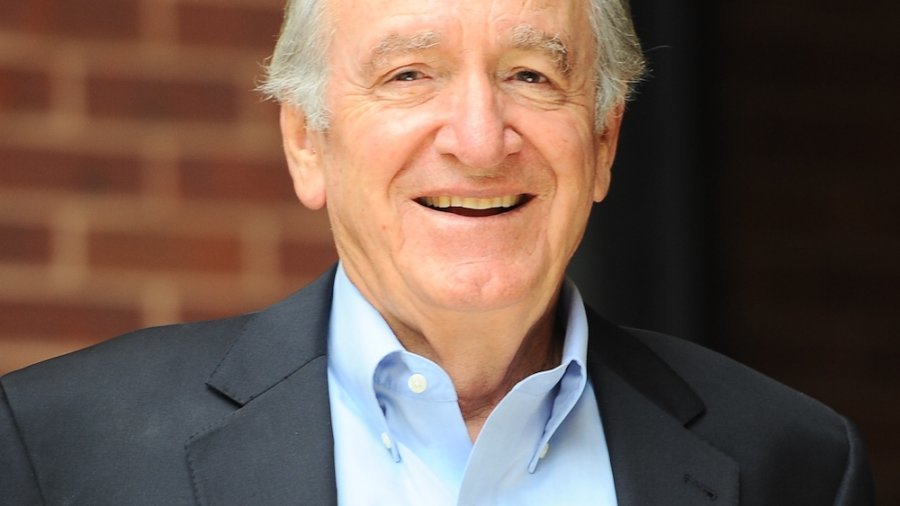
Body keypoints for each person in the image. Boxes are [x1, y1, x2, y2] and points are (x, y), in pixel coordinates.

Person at [0, 0, 875, 504]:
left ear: (604, 142)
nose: (480, 138)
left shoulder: (794, 464)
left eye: (532, 74)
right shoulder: (58, 452)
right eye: (408, 75)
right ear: (306, 142)